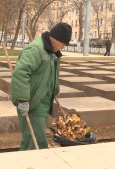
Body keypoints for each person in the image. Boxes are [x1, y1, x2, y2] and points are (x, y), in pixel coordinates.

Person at [10, 22, 72, 150]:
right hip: (32, 103)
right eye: (63, 44)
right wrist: (22, 99)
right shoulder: (35, 49)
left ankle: (35, 163)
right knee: (35, 141)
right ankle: (31, 165)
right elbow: (21, 73)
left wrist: (55, 89)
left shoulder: (52, 51)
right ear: (55, 39)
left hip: (43, 102)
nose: (63, 47)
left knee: (36, 139)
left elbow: (49, 73)